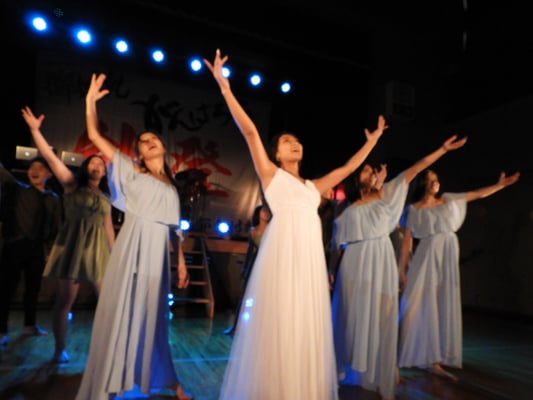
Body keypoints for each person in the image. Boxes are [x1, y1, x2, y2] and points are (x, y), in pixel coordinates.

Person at [204, 48, 387, 400]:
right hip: (282, 260)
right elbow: (251, 133)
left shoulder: (313, 187)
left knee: (305, 324)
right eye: (288, 142)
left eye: (298, 141)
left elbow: (347, 169)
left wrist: (374, 141)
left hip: (309, 265)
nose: (296, 144)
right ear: (276, 153)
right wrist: (225, 87)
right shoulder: (271, 175)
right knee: (280, 323)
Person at [75, 72, 193, 400]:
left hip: (157, 254)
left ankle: (168, 381)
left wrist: (181, 262)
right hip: (132, 245)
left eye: (154, 138)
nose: (149, 141)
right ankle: (109, 383)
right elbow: (94, 135)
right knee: (122, 313)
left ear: (164, 146)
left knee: (154, 320)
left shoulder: (172, 186)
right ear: (138, 152)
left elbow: (175, 229)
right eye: (143, 140)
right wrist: (90, 102)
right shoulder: (130, 169)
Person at [329, 134, 467, 400]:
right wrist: (331, 270)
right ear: (355, 177)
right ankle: (348, 370)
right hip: (354, 260)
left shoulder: (386, 193)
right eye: (366, 170)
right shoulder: (345, 208)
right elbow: (336, 244)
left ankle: (383, 372)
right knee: (352, 315)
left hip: (380, 258)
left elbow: (415, 168)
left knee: (383, 315)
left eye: (373, 170)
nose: (372, 173)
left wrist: (442, 148)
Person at [397, 168, 520, 381]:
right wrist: (401, 269)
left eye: (436, 179)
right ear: (422, 184)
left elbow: (476, 194)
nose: (435, 182)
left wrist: (499, 185)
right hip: (426, 256)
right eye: (430, 179)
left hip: (446, 255)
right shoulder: (414, 210)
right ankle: (401, 354)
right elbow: (407, 241)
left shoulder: (448, 199)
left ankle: (433, 360)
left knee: (438, 304)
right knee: (413, 303)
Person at [20, 106, 116, 364]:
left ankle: (106, 351)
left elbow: (108, 229)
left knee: (108, 302)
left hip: (98, 250)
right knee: (64, 301)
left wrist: (116, 257)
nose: (97, 165)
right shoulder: (72, 185)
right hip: (73, 245)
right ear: (86, 168)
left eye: (101, 164)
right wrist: (35, 131)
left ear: (104, 172)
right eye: (93, 162)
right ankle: (59, 348)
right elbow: (51, 159)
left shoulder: (107, 196)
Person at [0, 157, 62, 346]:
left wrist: (50, 250)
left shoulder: (53, 198)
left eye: (40, 168)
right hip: (15, 245)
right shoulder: (18, 189)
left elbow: (56, 227)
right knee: (6, 289)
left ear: (49, 174)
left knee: (33, 289)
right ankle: (1, 330)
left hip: (37, 249)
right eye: (32, 167)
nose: (34, 170)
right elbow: (3, 173)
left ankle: (30, 325)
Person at [223, 203, 271, 336]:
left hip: (267, 265)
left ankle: (259, 328)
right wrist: (245, 268)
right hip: (254, 263)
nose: (266, 213)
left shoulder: (272, 230)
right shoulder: (253, 231)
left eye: (267, 211)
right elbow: (250, 251)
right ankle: (235, 326)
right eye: (263, 211)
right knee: (245, 296)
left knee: (264, 298)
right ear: (258, 214)